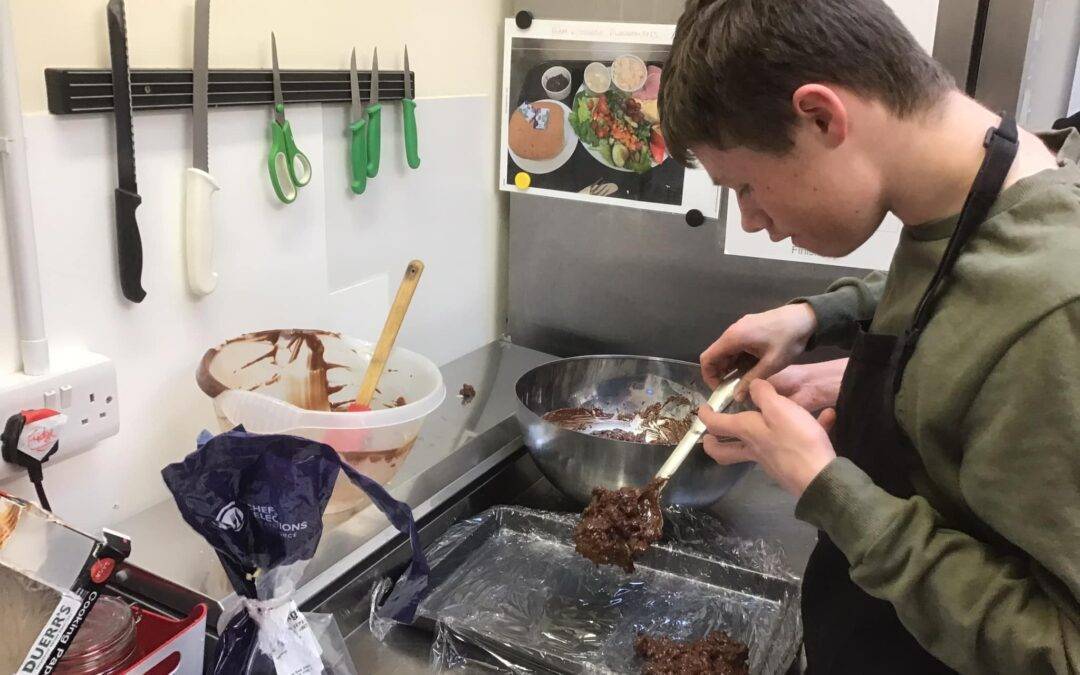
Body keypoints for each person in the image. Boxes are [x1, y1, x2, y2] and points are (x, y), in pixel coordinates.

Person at [659, 0, 1080, 673]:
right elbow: (965, 275)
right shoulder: (990, 176)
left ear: (823, 116)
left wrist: (827, 484)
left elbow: (1063, 648)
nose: (755, 218)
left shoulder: (1055, 308)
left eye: (743, 184)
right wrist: (816, 316)